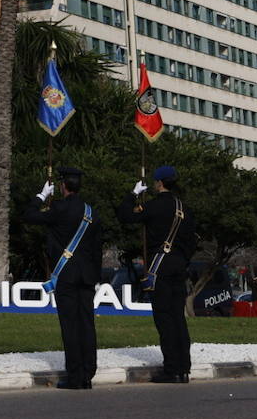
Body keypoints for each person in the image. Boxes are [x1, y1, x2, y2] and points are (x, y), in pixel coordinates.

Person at [117, 165, 195, 384]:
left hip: (159, 267)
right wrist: (182, 260)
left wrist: (133, 194)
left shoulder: (154, 206)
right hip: (179, 266)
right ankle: (184, 367)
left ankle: (171, 368)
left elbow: (125, 216)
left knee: (164, 319)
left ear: (160, 183)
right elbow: (191, 241)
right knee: (179, 317)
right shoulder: (185, 209)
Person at [25, 165, 101, 389]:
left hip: (65, 275)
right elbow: (97, 249)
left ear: (62, 186)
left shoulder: (58, 208)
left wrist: (41, 196)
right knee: (87, 324)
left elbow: (29, 215)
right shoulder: (91, 211)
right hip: (86, 276)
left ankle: (76, 375)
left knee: (70, 325)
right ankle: (88, 372)